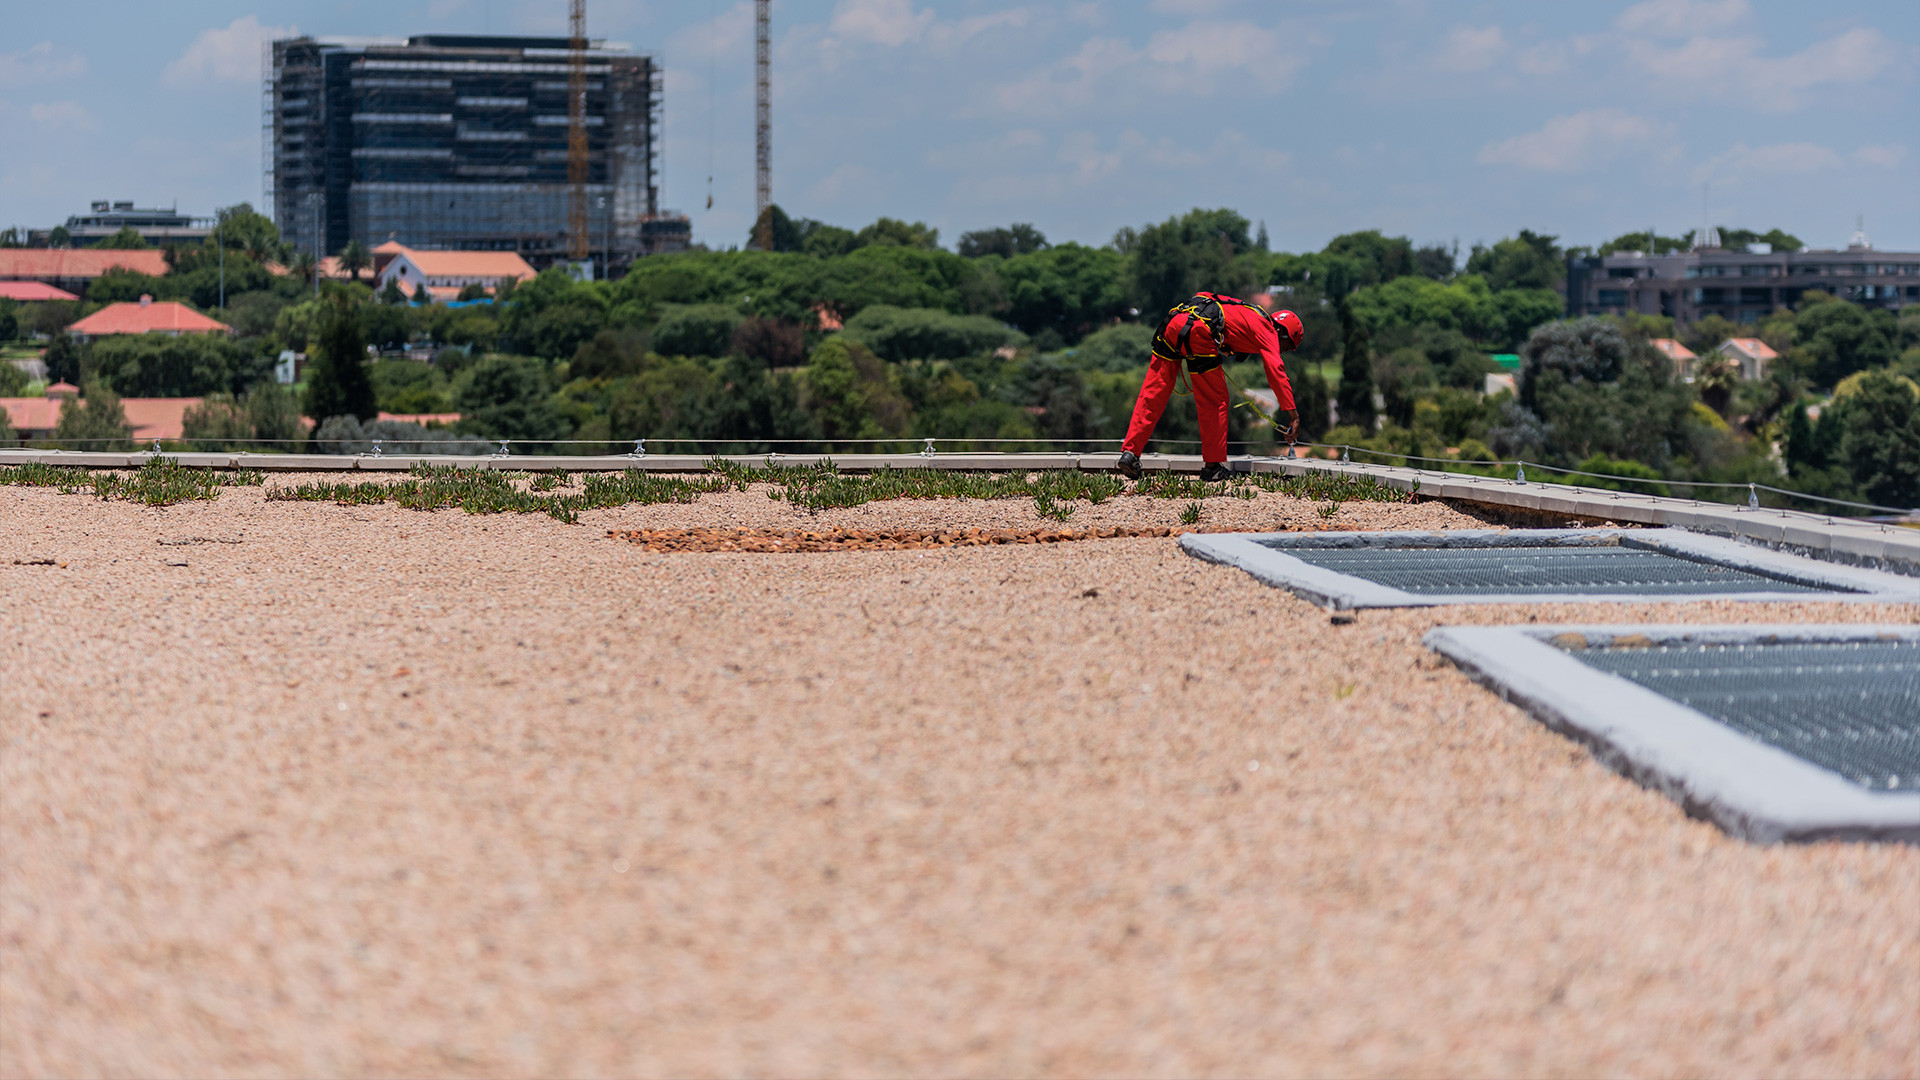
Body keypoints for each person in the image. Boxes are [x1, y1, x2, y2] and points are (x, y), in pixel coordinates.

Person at [1116, 292, 1304, 481]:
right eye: (1287, 345)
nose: (1283, 350)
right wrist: (1293, 414)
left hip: (1174, 322)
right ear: (1282, 332)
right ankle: (1213, 467)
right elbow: (1276, 371)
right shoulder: (1268, 330)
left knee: (1152, 394)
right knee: (1215, 400)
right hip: (1199, 332)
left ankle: (1130, 454)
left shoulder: (1248, 311)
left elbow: (1203, 296)